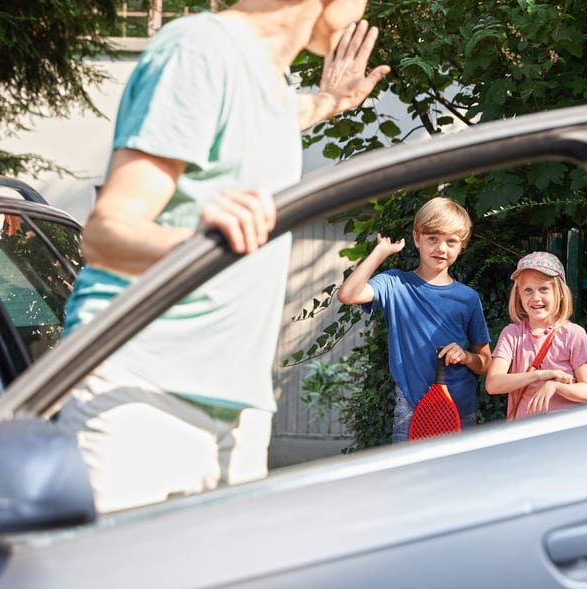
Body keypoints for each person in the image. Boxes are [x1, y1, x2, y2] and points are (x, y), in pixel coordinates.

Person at [55, 1, 391, 513]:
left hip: (237, 410)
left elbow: (271, 115)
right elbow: (104, 236)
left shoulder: (269, 84)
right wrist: (197, 240)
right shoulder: (199, 51)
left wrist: (327, 101)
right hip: (142, 394)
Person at [337, 196, 492, 442]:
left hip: (461, 410)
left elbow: (486, 364)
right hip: (410, 409)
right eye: (433, 238)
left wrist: (466, 356)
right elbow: (348, 295)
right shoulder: (395, 284)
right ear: (416, 238)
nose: (441, 249)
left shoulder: (468, 298)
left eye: (451, 241)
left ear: (462, 245)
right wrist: (380, 253)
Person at [485, 251, 587, 419]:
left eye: (543, 289)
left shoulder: (574, 334)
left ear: (559, 293)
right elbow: (493, 384)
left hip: (566, 435)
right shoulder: (512, 334)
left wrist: (555, 386)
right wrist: (537, 375)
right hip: (525, 435)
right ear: (519, 296)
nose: (536, 298)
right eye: (528, 290)